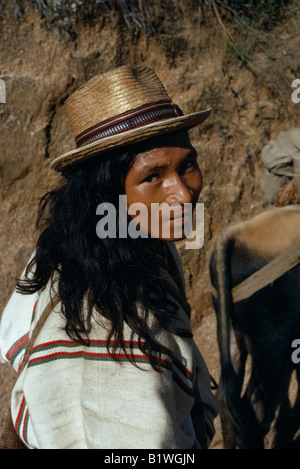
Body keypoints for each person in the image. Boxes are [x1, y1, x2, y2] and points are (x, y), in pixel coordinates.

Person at [0, 64, 219, 449]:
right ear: (107, 193)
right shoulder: (99, 320)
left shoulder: (134, 243)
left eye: (188, 165)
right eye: (152, 177)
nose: (183, 194)